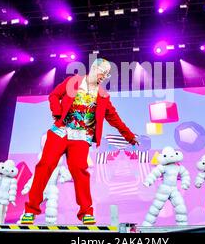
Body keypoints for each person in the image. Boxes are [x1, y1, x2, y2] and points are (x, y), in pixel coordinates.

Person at [20, 58, 139, 225]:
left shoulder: (103, 95)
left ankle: (86, 212)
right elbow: (54, 95)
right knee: (45, 165)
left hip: (81, 137)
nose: (103, 77)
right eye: (102, 72)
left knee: (80, 171)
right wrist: (57, 112)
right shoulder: (73, 81)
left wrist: (129, 136)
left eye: (106, 74)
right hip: (61, 132)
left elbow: (114, 118)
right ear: (93, 68)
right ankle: (31, 210)